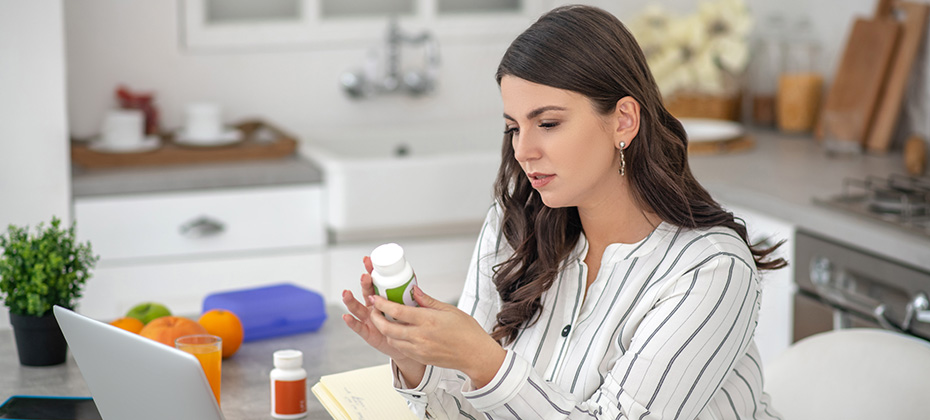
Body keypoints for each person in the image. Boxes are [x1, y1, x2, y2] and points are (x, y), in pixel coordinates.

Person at [342, 4, 786, 419]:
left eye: (548, 124)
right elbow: (469, 411)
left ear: (624, 120)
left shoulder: (708, 270)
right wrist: (413, 357)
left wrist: (483, 360)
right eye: (513, 128)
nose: (523, 150)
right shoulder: (513, 226)